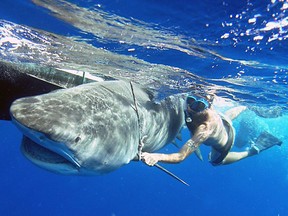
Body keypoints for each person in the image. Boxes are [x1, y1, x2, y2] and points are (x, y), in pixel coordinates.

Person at [142, 94, 282, 166]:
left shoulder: (204, 130)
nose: (191, 107)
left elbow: (180, 157)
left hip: (225, 141)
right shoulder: (204, 105)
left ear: (207, 106)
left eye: (198, 106)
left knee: (215, 162)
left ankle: (253, 150)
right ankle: (246, 106)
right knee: (226, 118)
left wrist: (157, 156)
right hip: (222, 120)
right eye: (190, 100)